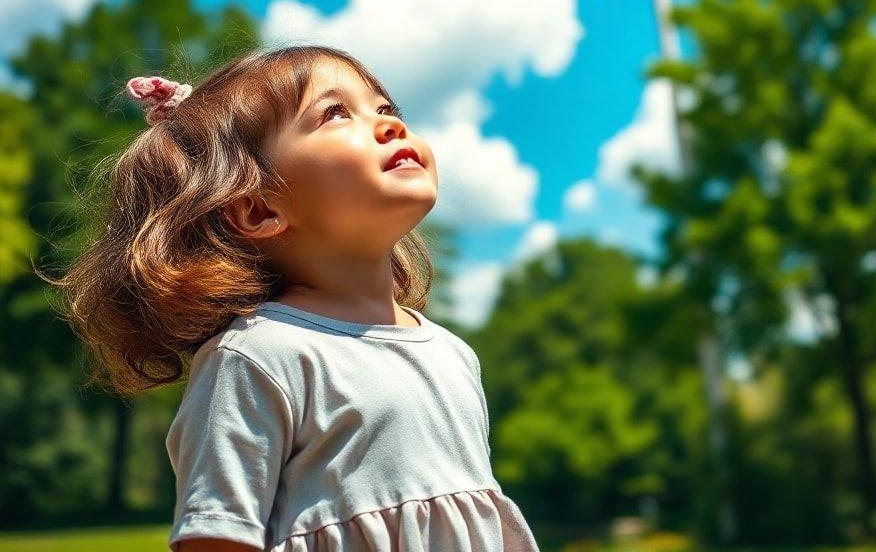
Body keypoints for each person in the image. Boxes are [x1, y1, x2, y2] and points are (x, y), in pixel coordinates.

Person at [49, 43, 541, 552]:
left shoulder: (453, 354)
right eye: (335, 113)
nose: (390, 124)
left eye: (386, 108)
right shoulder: (257, 359)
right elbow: (218, 538)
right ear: (259, 208)